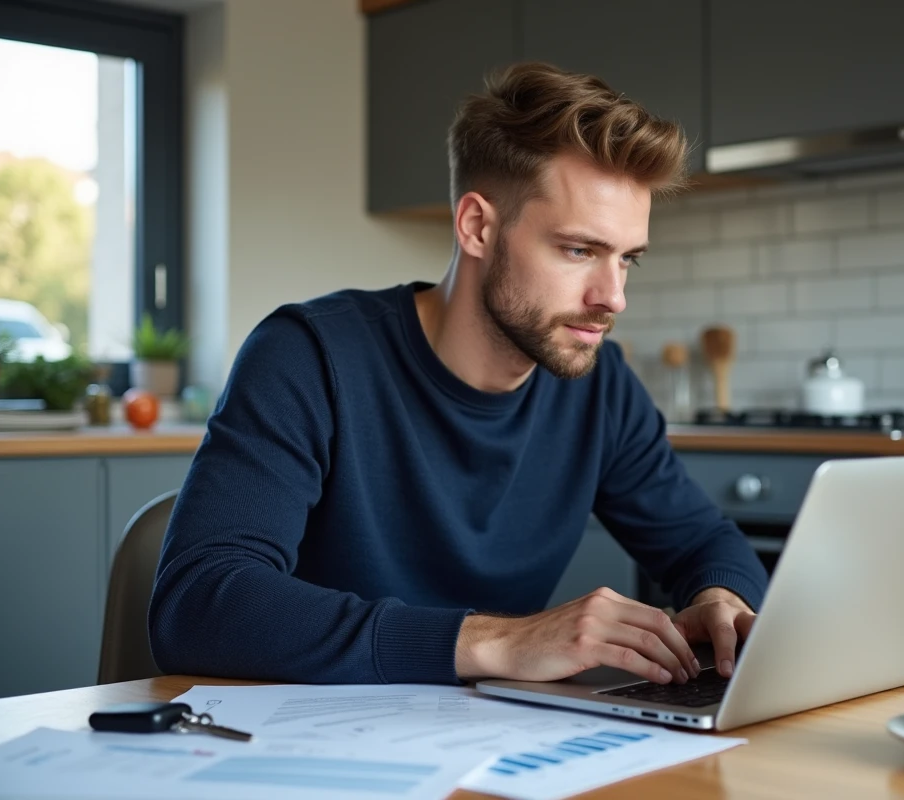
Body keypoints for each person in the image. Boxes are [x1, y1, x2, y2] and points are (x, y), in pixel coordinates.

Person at [149, 62, 769, 689]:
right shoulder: (309, 355)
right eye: (579, 250)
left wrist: (722, 601)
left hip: (494, 751)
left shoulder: (600, 386)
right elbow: (199, 604)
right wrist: (501, 641)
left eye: (627, 259)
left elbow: (703, 544)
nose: (613, 298)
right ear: (477, 226)